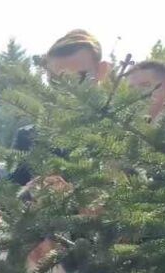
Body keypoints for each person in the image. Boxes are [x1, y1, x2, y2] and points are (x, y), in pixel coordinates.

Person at [11, 31, 110, 187]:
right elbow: (7, 199)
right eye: (57, 81)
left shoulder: (126, 133)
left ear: (102, 71)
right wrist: (30, 193)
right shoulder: (29, 138)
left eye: (79, 77)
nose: (67, 88)